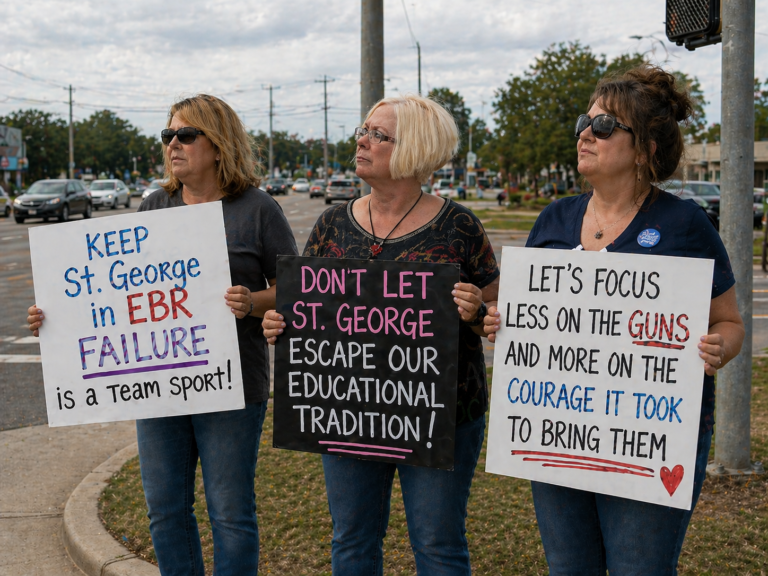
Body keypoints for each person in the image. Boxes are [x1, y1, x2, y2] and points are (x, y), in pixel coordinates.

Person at [484, 64, 745, 574]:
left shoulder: (684, 224)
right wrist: (503, 323)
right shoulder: (553, 221)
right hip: (558, 433)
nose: (586, 133)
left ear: (645, 147)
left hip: (650, 442)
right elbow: (527, 319)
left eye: (604, 126)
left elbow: (730, 322)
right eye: (585, 121)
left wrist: (721, 347)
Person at [27, 94, 298, 576]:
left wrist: (250, 302)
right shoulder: (155, 204)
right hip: (160, 388)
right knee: (166, 511)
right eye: (167, 135)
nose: (173, 144)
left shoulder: (257, 209)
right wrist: (57, 317)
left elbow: (293, 289)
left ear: (218, 145)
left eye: (186, 135)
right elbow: (119, 291)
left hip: (230, 386)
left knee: (230, 515)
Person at [263, 94, 499, 575]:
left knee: (437, 544)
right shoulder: (331, 222)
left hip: (439, 417)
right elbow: (307, 309)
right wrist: (280, 324)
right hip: (349, 410)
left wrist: (478, 311)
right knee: (351, 539)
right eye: (363, 130)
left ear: (413, 148)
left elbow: (494, 310)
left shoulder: (458, 225)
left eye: (378, 134)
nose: (362, 141)